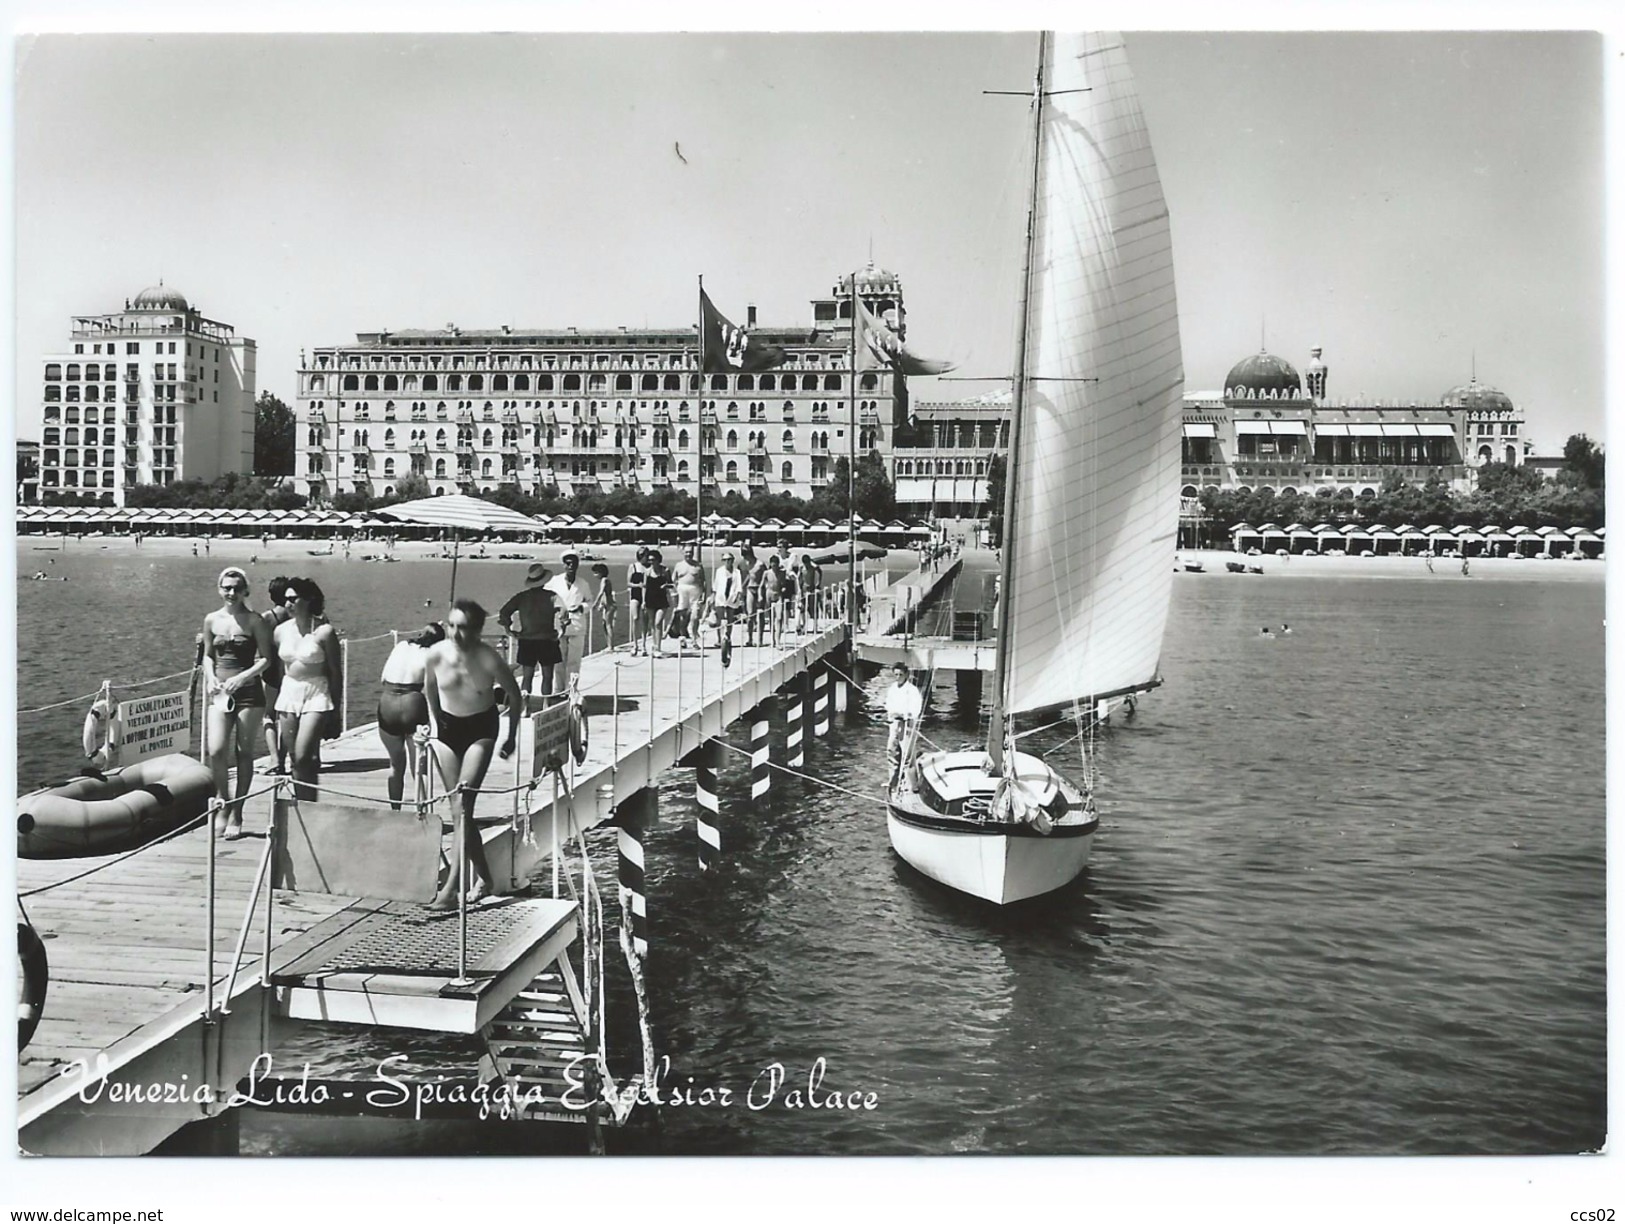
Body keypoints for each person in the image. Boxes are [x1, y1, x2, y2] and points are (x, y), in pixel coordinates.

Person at [423, 599, 522, 910]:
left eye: (464, 627)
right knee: (458, 810)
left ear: (478, 630)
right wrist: (431, 725)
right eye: (452, 625)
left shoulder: (488, 658)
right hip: (447, 730)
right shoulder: (436, 654)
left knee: (463, 803)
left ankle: (451, 888)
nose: (456, 633)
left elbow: (515, 699)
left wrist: (511, 737)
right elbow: (429, 691)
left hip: (481, 729)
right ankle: (485, 878)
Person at [202, 567, 274, 838]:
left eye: (236, 588)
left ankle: (237, 811)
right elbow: (208, 655)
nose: (231, 593)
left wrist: (243, 678)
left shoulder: (255, 621)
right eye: (226, 588)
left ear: (245, 590)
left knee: (244, 752)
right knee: (217, 750)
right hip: (220, 693)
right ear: (220, 589)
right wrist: (210, 677)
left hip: (248, 694)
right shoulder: (211, 620)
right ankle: (223, 800)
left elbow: (267, 658)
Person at [273, 578, 342, 801]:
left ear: (309, 599)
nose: (288, 603)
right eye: (286, 600)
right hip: (289, 693)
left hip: (317, 692)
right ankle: (303, 804)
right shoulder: (280, 631)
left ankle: (308, 805)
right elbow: (276, 669)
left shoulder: (324, 632)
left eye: (293, 599)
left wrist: (336, 711)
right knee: (295, 758)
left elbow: (335, 671)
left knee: (304, 755)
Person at [377, 622, 446, 810]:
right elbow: (431, 689)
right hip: (412, 705)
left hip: (387, 704)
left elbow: (383, 678)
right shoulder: (432, 655)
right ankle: (421, 812)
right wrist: (438, 717)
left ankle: (395, 812)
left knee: (395, 766)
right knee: (419, 768)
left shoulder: (401, 646)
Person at [498, 564, 563, 710]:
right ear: (544, 580)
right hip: (547, 640)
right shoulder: (552, 596)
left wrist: (509, 629)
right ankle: (546, 705)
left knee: (527, 676)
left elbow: (504, 612)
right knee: (547, 676)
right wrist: (561, 629)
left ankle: (525, 707)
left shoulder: (521, 597)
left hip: (527, 640)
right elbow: (564, 612)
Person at [545, 550, 594, 689]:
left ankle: (571, 690)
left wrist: (581, 607)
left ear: (578, 564)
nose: (571, 566)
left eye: (574, 563)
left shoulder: (582, 583)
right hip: (558, 626)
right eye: (568, 563)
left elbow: (590, 601)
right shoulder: (554, 581)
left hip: (577, 625)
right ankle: (558, 690)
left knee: (574, 662)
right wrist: (556, 609)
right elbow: (545, 599)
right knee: (558, 661)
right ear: (563, 565)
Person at [884, 662, 924, 792]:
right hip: (895, 724)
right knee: (892, 751)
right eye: (896, 674)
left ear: (906, 674)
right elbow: (888, 705)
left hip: (907, 724)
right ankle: (893, 782)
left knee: (907, 756)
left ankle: (913, 785)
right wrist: (892, 714)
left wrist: (905, 714)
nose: (898, 677)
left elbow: (916, 708)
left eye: (901, 674)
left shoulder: (912, 690)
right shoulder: (892, 689)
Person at [711, 551, 745, 667]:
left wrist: (738, 597)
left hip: (732, 598)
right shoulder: (719, 571)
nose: (727, 562)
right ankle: (720, 639)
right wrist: (712, 597)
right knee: (720, 619)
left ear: (732, 560)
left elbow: (739, 587)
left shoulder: (737, 572)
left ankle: (728, 638)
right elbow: (716, 586)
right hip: (721, 598)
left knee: (730, 619)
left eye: (729, 560)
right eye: (725, 560)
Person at [672, 543, 708, 650]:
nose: (689, 554)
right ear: (683, 552)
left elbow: (703, 581)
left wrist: (704, 595)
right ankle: (682, 638)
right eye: (687, 552)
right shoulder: (678, 565)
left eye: (691, 552)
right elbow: (673, 581)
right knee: (683, 617)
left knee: (695, 616)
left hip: (695, 591)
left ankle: (694, 639)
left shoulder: (698, 566)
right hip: (682, 591)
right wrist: (674, 595)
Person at [643, 550, 672, 655]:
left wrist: (666, 586)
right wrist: (643, 601)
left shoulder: (665, 570)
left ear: (658, 560)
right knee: (652, 623)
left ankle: (658, 647)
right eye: (649, 560)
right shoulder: (647, 571)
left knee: (658, 623)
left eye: (653, 560)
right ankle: (655, 645)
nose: (651, 562)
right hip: (650, 599)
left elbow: (671, 584)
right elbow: (644, 587)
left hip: (661, 599)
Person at [626, 548, 650, 655]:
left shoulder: (649, 567)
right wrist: (638, 585)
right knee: (635, 618)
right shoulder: (633, 566)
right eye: (641, 555)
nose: (643, 557)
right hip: (635, 594)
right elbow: (628, 583)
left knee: (645, 620)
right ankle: (635, 644)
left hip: (647, 596)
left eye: (644, 555)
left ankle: (644, 644)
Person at [590, 562, 617, 652]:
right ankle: (608, 644)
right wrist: (601, 605)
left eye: (596, 573)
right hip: (607, 605)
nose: (594, 575)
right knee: (604, 624)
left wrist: (595, 603)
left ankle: (611, 646)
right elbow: (605, 594)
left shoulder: (604, 580)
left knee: (608, 625)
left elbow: (601, 593)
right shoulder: (605, 580)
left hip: (610, 605)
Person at [797, 553, 822, 632]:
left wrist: (818, 582)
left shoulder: (813, 567)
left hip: (811, 589)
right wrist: (799, 589)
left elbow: (820, 571)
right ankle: (803, 625)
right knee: (802, 608)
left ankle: (815, 626)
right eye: (805, 563)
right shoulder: (801, 568)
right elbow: (799, 578)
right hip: (804, 589)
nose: (806, 565)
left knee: (813, 608)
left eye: (807, 563)